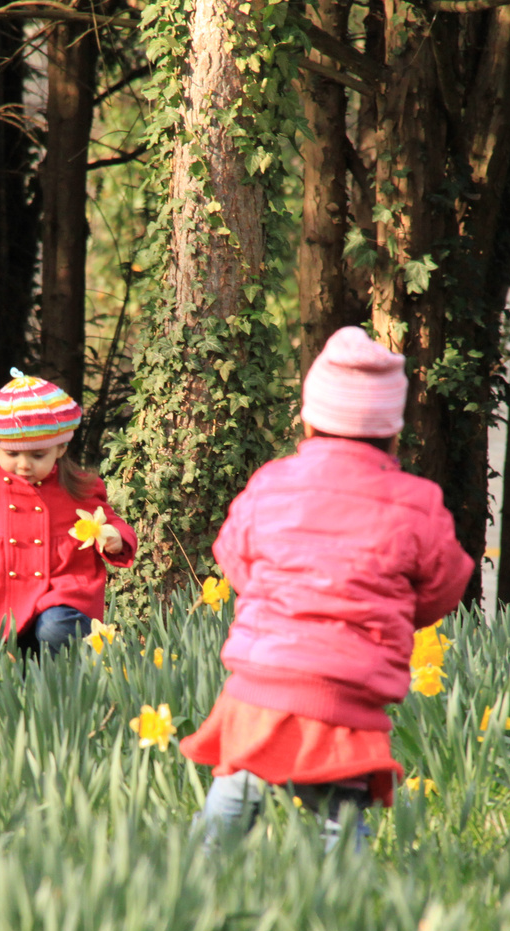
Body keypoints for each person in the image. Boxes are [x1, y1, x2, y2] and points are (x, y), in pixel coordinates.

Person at [179, 326, 474, 849]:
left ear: (310, 418)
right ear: (392, 432)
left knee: (237, 783)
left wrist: (273, 602)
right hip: (347, 685)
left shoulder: (271, 482)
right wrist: (397, 611)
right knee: (341, 811)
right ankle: (341, 904)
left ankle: (198, 877)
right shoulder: (417, 501)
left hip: (263, 674)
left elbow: (233, 558)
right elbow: (445, 587)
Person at [0, 369, 138, 653]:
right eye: (12, 454)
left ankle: (71, 685)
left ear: (61, 448)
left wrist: (116, 537)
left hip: (60, 596)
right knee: (1, 675)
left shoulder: (79, 487)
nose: (24, 465)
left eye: (37, 455)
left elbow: (109, 520)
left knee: (55, 630)